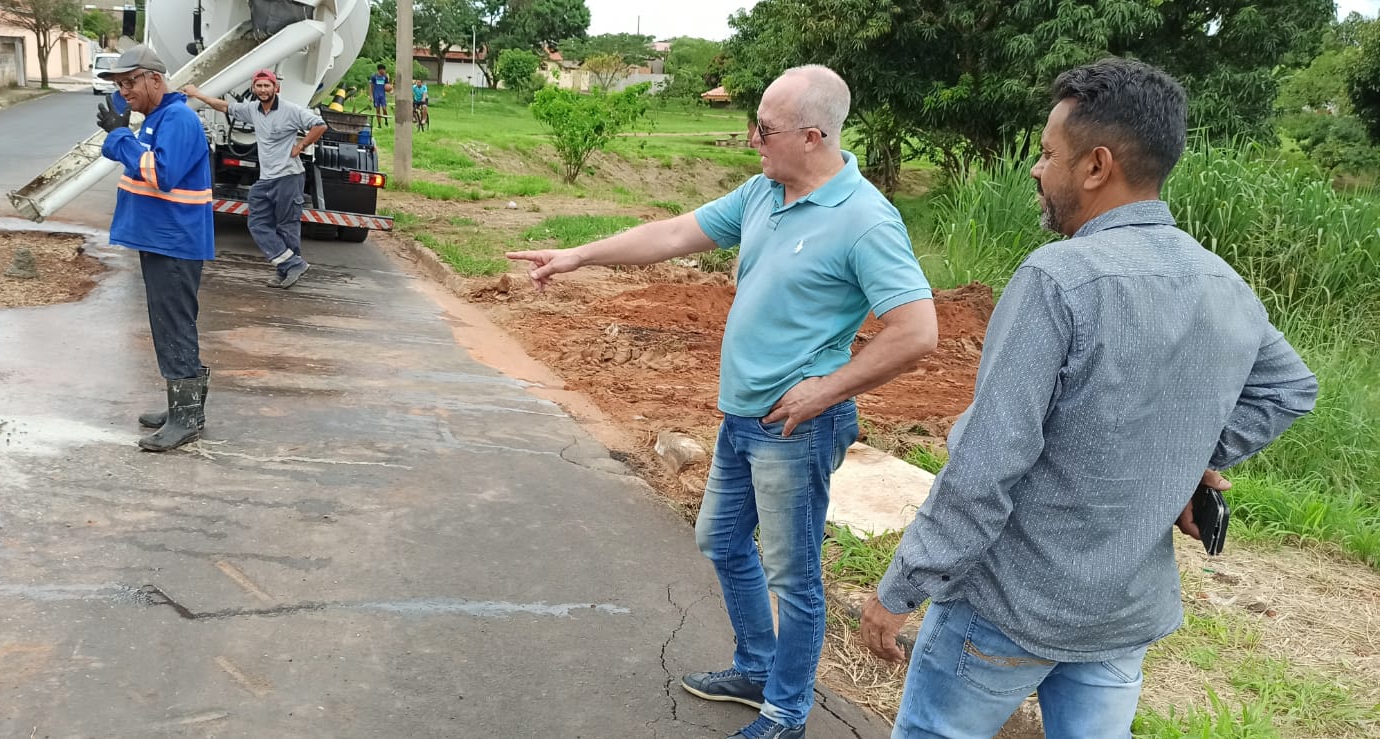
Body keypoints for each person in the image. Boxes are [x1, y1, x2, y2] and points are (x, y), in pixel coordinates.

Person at [859, 58, 1319, 737]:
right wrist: (1192, 451)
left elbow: (988, 464)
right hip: (1122, 615)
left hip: (1008, 608)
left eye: (1048, 154)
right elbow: (1289, 389)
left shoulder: (1059, 277)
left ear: (1097, 165)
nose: (1037, 170)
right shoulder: (1221, 281)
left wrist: (900, 588)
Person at [507, 65, 938, 739]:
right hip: (742, 417)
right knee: (722, 539)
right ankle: (758, 666)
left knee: (793, 577)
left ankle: (786, 711)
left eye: (764, 129)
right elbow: (675, 233)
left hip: (794, 428)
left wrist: (825, 390)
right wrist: (577, 255)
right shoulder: (766, 192)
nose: (751, 140)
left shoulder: (864, 220)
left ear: (813, 136)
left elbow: (917, 330)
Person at [94, 45, 216, 452]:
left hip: (174, 242)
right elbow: (142, 161)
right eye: (120, 85)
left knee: (174, 325)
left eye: (131, 82)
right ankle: (185, 407)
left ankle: (185, 418)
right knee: (170, 324)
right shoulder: (158, 118)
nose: (124, 91)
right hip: (162, 239)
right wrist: (123, 128)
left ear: (156, 80)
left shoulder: (178, 119)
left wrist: (119, 137)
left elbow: (159, 174)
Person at [182, 69, 327, 288]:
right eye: (259, 86)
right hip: (266, 178)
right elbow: (223, 106)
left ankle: (286, 270)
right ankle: (292, 263)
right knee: (257, 222)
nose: (263, 90)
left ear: (275, 88)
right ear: (253, 88)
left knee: (286, 225)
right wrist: (198, 94)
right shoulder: (252, 110)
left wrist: (301, 145)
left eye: (266, 86)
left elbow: (320, 125)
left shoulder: (290, 110)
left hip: (288, 176)